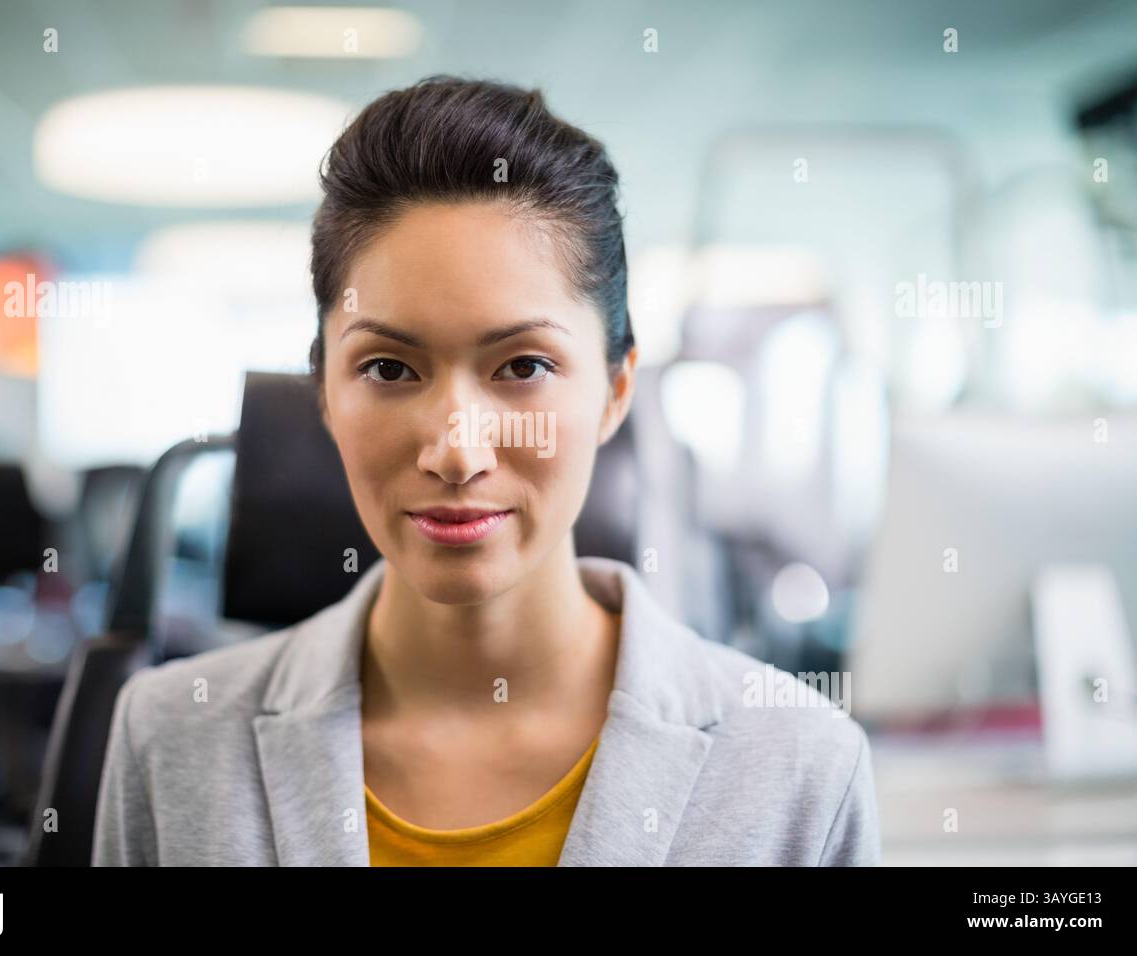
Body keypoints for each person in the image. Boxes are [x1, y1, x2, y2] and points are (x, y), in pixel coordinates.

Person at [92, 75, 881, 866]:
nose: (457, 453)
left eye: (523, 365)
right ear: (324, 394)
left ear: (615, 391)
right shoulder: (170, 740)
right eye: (390, 370)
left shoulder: (800, 772)